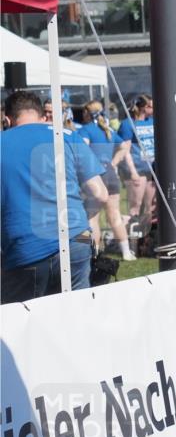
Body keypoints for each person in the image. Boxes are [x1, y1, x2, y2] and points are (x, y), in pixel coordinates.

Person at [1, 91, 108, 302]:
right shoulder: (67, 135)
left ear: (7, 119)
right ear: (43, 117)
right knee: (76, 315)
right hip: (76, 238)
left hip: (25, 245)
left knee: (20, 324)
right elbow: (100, 193)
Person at [77, 100, 135, 260]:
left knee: (92, 217)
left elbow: (82, 150)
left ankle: (93, 254)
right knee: (114, 215)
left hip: (95, 175)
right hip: (110, 173)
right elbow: (124, 146)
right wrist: (113, 163)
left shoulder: (85, 130)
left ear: (88, 113)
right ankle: (126, 252)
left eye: (84, 112)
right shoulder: (107, 129)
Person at [119, 94, 157, 229]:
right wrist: (133, 171)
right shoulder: (127, 124)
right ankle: (127, 239)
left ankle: (144, 241)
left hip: (151, 169)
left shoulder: (152, 121)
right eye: (150, 106)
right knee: (135, 208)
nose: (153, 109)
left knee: (149, 208)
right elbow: (125, 150)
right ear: (143, 108)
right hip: (137, 169)